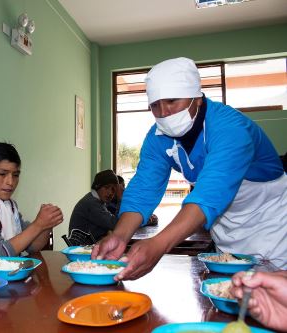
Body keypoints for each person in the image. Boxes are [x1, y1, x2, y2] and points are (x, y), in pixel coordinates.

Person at [93, 57, 287, 280]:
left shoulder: (230, 128)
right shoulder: (158, 137)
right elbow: (143, 190)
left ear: (197, 97)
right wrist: (120, 235)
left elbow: (209, 194)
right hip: (224, 225)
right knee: (236, 293)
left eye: (172, 101)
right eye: (155, 105)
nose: (163, 112)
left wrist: (159, 244)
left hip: (272, 224)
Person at [68, 169, 119, 242]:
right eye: (107, 187)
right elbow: (115, 224)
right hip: (81, 249)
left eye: (114, 190)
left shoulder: (97, 200)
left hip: (88, 245)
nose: (110, 192)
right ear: (97, 187)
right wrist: (121, 199)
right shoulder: (91, 203)